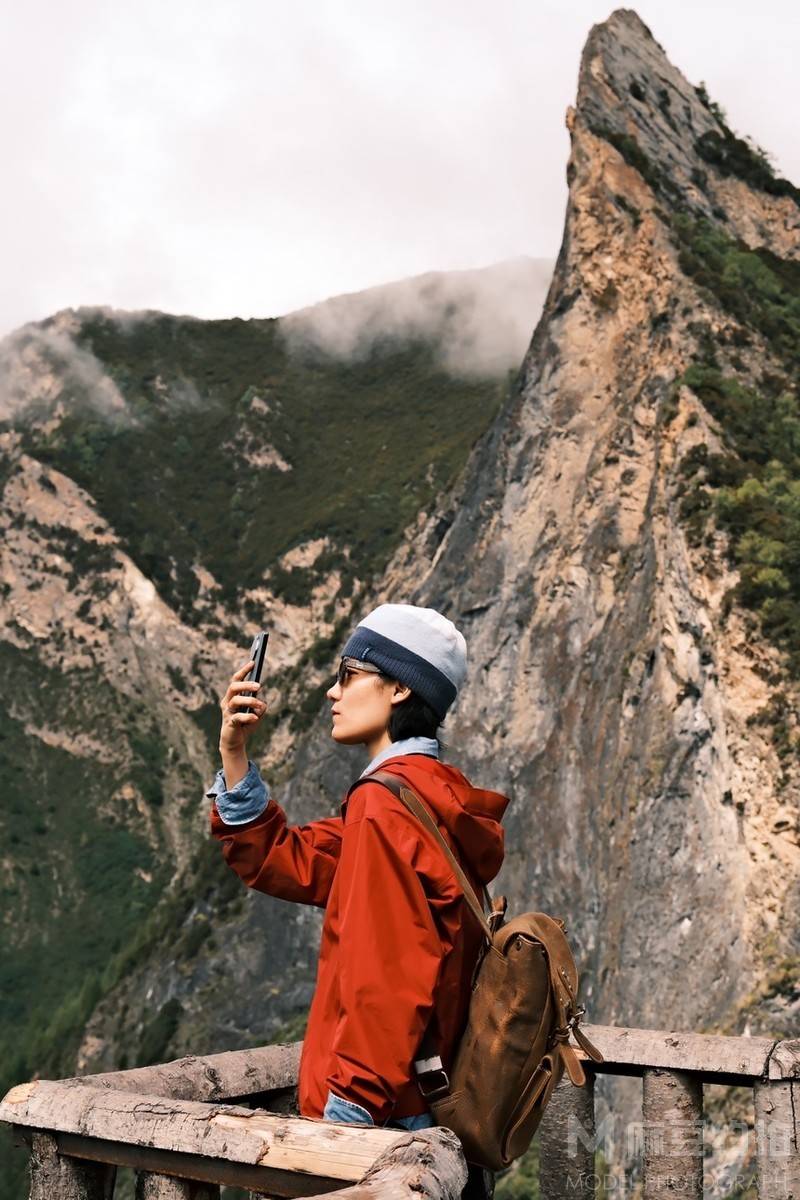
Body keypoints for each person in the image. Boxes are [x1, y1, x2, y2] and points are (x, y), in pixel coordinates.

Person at [207, 602, 509, 1143]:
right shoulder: (425, 795)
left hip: (380, 1115)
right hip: (422, 1101)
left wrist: (347, 1117)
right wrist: (234, 753)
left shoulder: (384, 805)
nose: (332, 691)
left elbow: (388, 973)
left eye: (349, 675)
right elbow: (290, 859)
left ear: (399, 689)